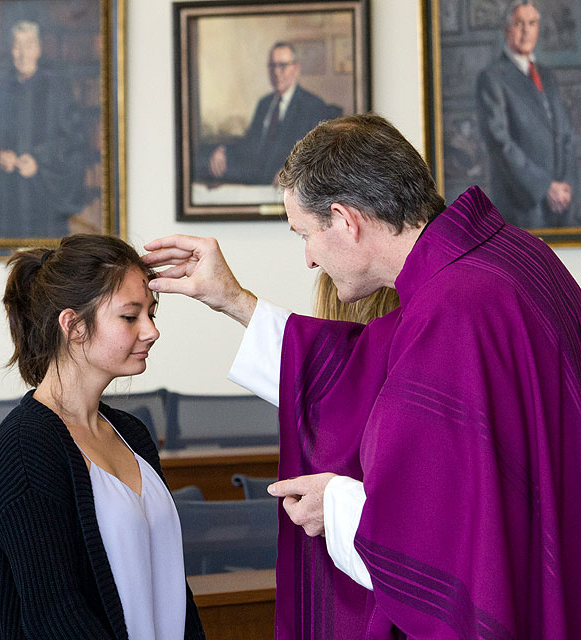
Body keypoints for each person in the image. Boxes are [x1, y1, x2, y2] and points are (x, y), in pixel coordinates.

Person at [143, 114, 581, 637]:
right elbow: (371, 367)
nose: (307, 259)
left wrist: (339, 507)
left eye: (304, 234)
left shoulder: (455, 309)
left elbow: (445, 540)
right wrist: (234, 301)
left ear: (345, 220)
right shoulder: (502, 258)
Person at [0, 234, 205, 639]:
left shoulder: (132, 432)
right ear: (74, 325)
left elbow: (172, 587)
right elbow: (54, 615)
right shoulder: (25, 446)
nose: (151, 331)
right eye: (130, 316)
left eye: (151, 314)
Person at [0, 20, 86, 239]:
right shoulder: (0, 94)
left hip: (46, 199)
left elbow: (74, 142)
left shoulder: (57, 91)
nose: (22, 53)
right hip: (9, 198)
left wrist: (40, 161)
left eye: (29, 45)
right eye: (17, 46)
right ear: (10, 50)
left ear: (38, 50)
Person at [476, 1, 580, 228]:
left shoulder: (547, 77)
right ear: (507, 30)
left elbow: (565, 136)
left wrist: (566, 187)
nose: (526, 30)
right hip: (523, 206)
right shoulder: (492, 78)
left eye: (532, 23)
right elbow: (500, 142)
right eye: (519, 23)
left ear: (538, 28)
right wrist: (545, 187)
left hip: (561, 203)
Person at [206, 42, 340, 186]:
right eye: (272, 66)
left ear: (296, 69)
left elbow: (319, 156)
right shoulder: (264, 104)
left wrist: (292, 172)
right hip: (256, 184)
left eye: (282, 66)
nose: (276, 72)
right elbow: (250, 144)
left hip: (289, 189)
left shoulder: (312, 105)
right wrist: (223, 151)